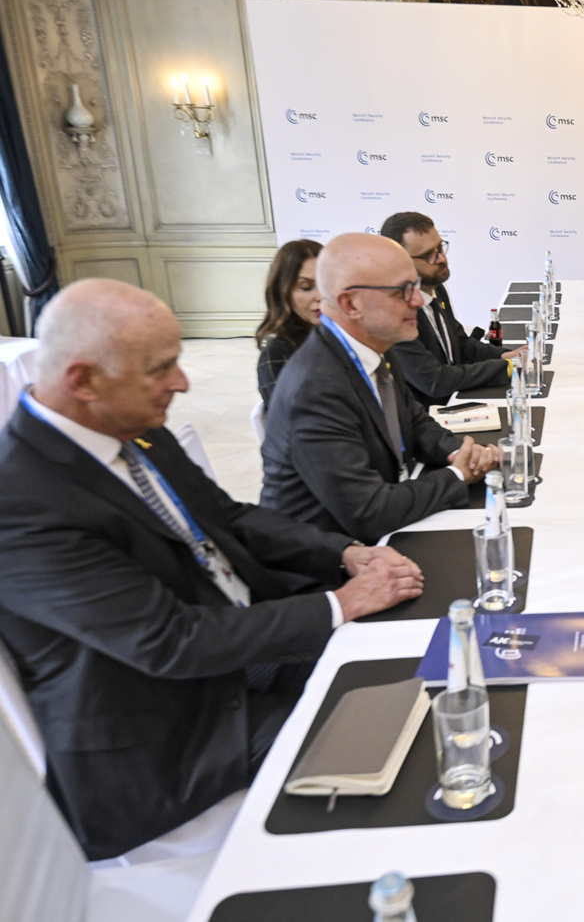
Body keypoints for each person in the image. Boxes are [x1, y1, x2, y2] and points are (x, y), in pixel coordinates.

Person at [0, 279, 426, 859]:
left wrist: (344, 553)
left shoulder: (127, 425)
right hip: (171, 734)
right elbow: (170, 642)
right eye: (161, 369)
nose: (182, 382)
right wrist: (341, 603)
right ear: (83, 381)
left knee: (412, 653)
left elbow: (229, 518)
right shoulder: (21, 505)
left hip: (239, 660)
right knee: (402, 749)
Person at [260, 232, 500, 543]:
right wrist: (458, 475)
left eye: (415, 286)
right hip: (330, 553)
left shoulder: (375, 346)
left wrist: (460, 453)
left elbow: (414, 422)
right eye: (402, 291)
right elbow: (369, 511)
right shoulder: (315, 388)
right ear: (351, 304)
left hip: (386, 521)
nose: (418, 300)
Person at [379, 212, 522, 406]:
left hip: (456, 400)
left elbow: (459, 342)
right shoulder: (394, 314)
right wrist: (507, 367)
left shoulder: (436, 288)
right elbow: (434, 381)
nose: (441, 258)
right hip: (428, 414)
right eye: (429, 255)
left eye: (440, 247)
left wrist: (504, 355)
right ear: (399, 261)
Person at [254, 239, 323, 405]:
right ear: (283, 292)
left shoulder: (350, 337)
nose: (321, 296)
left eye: (326, 284)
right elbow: (293, 416)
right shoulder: (277, 355)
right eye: (306, 287)